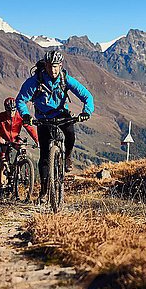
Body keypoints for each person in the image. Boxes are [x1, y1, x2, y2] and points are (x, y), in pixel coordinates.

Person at [16, 50, 94, 202]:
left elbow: (86, 96)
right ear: (45, 65)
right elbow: (21, 100)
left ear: (61, 65)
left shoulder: (66, 79)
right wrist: (25, 115)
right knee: (45, 155)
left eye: (56, 66)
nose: (53, 70)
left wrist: (87, 111)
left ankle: (68, 157)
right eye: (50, 66)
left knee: (70, 134)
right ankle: (44, 191)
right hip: (43, 118)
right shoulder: (36, 81)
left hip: (61, 115)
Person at [0, 97, 39, 199]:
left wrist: (37, 140)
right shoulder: (0, 117)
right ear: (6, 109)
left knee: (22, 148)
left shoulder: (20, 116)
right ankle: (1, 188)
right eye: (9, 111)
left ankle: (20, 168)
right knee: (4, 163)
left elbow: (30, 129)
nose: (12, 113)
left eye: (13, 110)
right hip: (3, 141)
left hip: (15, 139)